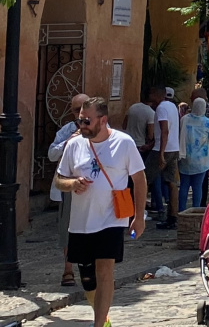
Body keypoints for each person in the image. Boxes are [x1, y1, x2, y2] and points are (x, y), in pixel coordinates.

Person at [55, 98, 146, 327]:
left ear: (103, 120)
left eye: (86, 121)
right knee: (87, 277)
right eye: (80, 120)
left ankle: (98, 324)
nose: (82, 125)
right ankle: (103, 318)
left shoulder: (124, 143)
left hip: (112, 218)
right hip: (81, 220)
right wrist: (73, 183)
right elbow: (59, 179)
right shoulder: (74, 145)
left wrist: (139, 216)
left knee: (105, 269)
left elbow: (139, 179)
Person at [48, 94, 88, 287]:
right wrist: (68, 142)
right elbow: (51, 154)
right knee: (67, 229)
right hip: (69, 188)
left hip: (93, 189)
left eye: (84, 107)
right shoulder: (67, 131)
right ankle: (68, 269)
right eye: (75, 109)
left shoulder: (101, 131)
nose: (80, 113)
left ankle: (91, 269)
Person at [147, 86, 181, 229]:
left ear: (156, 94)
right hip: (174, 148)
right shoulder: (172, 106)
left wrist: (160, 153)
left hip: (162, 149)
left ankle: (137, 215)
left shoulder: (161, 108)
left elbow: (164, 130)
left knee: (143, 179)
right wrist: (150, 145)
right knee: (171, 183)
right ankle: (173, 217)